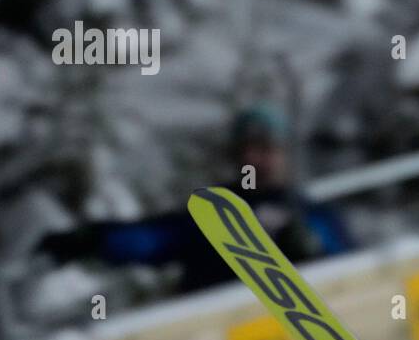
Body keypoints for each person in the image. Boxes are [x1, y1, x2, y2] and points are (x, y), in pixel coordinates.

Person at [37, 102, 354, 293]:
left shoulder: (313, 213)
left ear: (284, 155)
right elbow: (155, 238)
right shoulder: (215, 215)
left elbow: (347, 261)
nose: (257, 160)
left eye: (268, 149)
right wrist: (95, 239)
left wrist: (311, 247)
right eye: (249, 150)